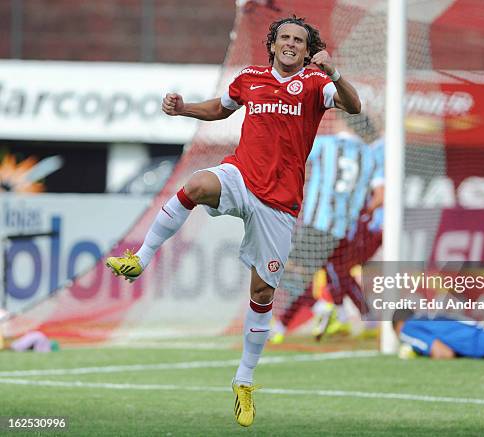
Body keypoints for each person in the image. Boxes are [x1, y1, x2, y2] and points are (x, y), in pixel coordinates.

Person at [105, 16, 360, 427]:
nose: (291, 44)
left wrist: (333, 71)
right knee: (197, 184)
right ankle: (141, 257)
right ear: (273, 45)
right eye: (285, 39)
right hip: (241, 177)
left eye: (299, 40)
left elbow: (354, 105)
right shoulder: (250, 78)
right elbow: (220, 109)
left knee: (262, 293)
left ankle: (244, 380)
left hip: (279, 203)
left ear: (307, 49)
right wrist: (183, 108)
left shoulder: (317, 84)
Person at [270, 115, 376, 343]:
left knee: (280, 268)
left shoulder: (325, 144)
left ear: (344, 124)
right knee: (324, 274)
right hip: (341, 228)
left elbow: (291, 151)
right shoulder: (368, 156)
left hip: (317, 222)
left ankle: (327, 310)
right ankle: (281, 326)